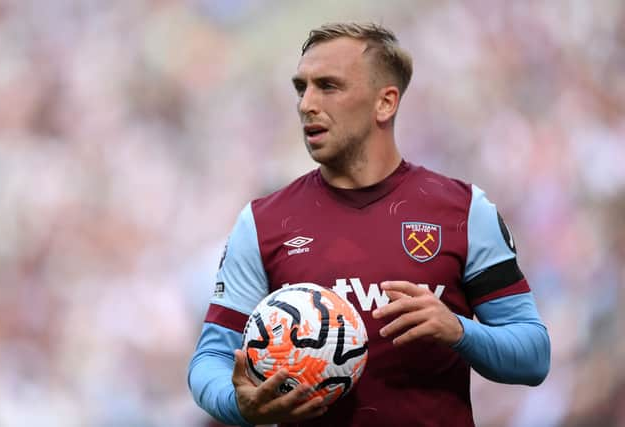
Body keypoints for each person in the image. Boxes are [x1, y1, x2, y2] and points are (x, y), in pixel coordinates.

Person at [188, 22, 551, 427]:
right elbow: (211, 358)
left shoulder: (464, 210)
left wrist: (459, 330)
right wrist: (239, 405)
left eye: (328, 86)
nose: (306, 103)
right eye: (300, 88)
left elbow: (534, 355)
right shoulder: (261, 222)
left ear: (385, 103)